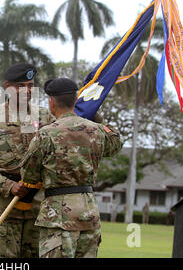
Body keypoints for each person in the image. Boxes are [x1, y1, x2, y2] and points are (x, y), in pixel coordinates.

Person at [19, 78, 123, 258]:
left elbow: (28, 175)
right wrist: (94, 113)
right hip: (88, 213)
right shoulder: (96, 130)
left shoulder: (46, 133)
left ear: (51, 102)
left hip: (58, 214)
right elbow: (115, 142)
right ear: (75, 101)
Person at [0, 63, 55, 258]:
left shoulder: (46, 118)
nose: (27, 91)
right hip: (3, 209)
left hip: (38, 210)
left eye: (31, 86)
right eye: (21, 86)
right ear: (8, 87)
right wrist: (9, 185)